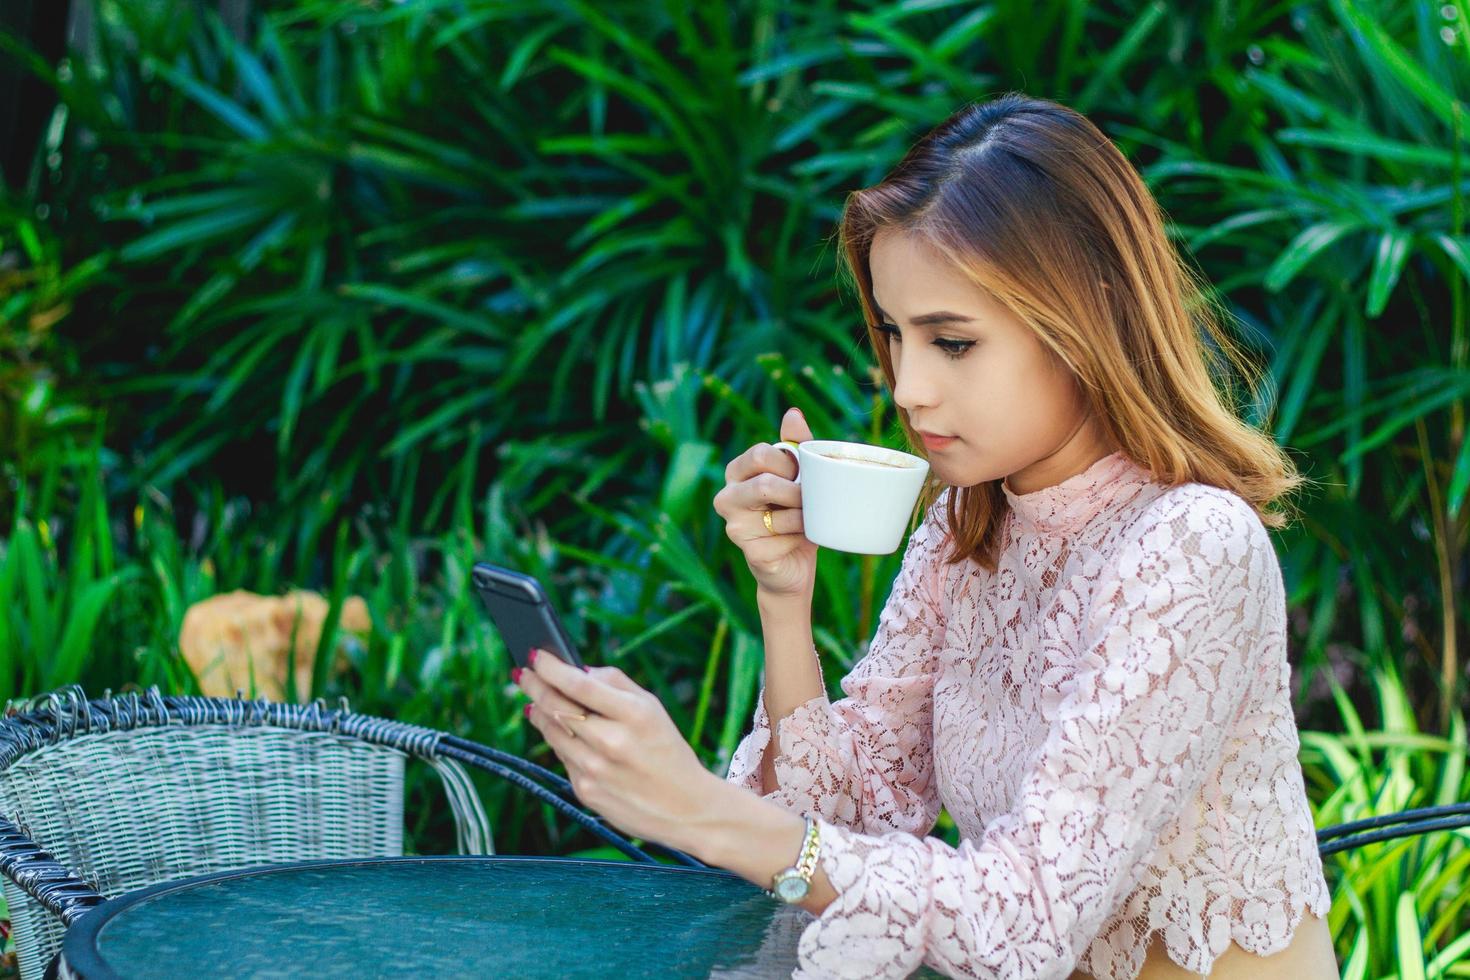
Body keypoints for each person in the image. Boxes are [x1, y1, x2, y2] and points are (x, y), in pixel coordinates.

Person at [513, 92, 1339, 979]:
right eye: (894, 336)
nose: (906, 388)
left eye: (951, 342)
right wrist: (784, 599)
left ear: (1083, 323)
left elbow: (1024, 919)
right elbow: (848, 823)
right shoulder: (964, 528)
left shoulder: (1191, 546)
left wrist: (700, 811)